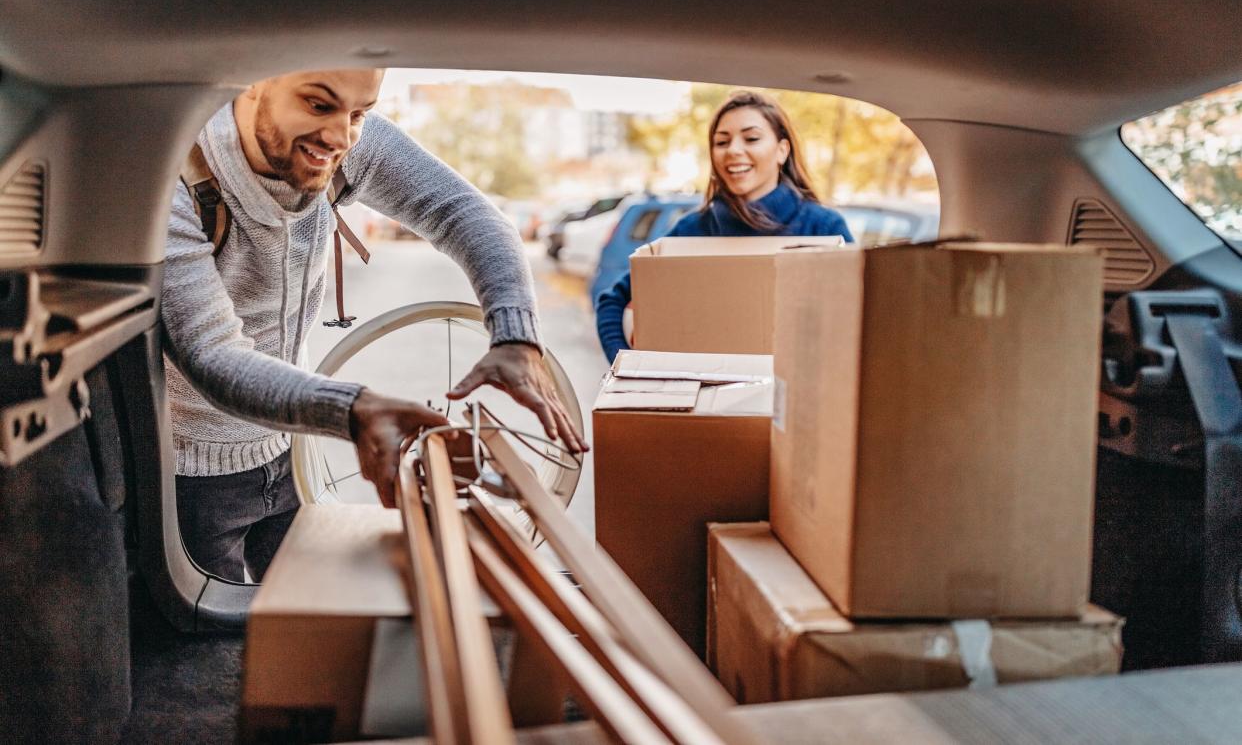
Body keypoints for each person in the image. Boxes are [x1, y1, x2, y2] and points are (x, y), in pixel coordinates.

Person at [163, 68, 587, 582]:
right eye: (319, 105)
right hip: (188, 483)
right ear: (254, 78)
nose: (342, 137)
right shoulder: (173, 179)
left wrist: (515, 333)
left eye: (360, 113)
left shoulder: (342, 142)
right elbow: (210, 353)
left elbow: (468, 215)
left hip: (292, 449)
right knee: (224, 656)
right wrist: (353, 410)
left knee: (313, 626)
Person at [595, 90, 855, 363]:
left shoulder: (823, 228)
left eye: (751, 138)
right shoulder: (693, 230)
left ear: (782, 150)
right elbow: (611, 302)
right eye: (722, 142)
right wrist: (627, 369)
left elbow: (857, 319)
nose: (733, 150)